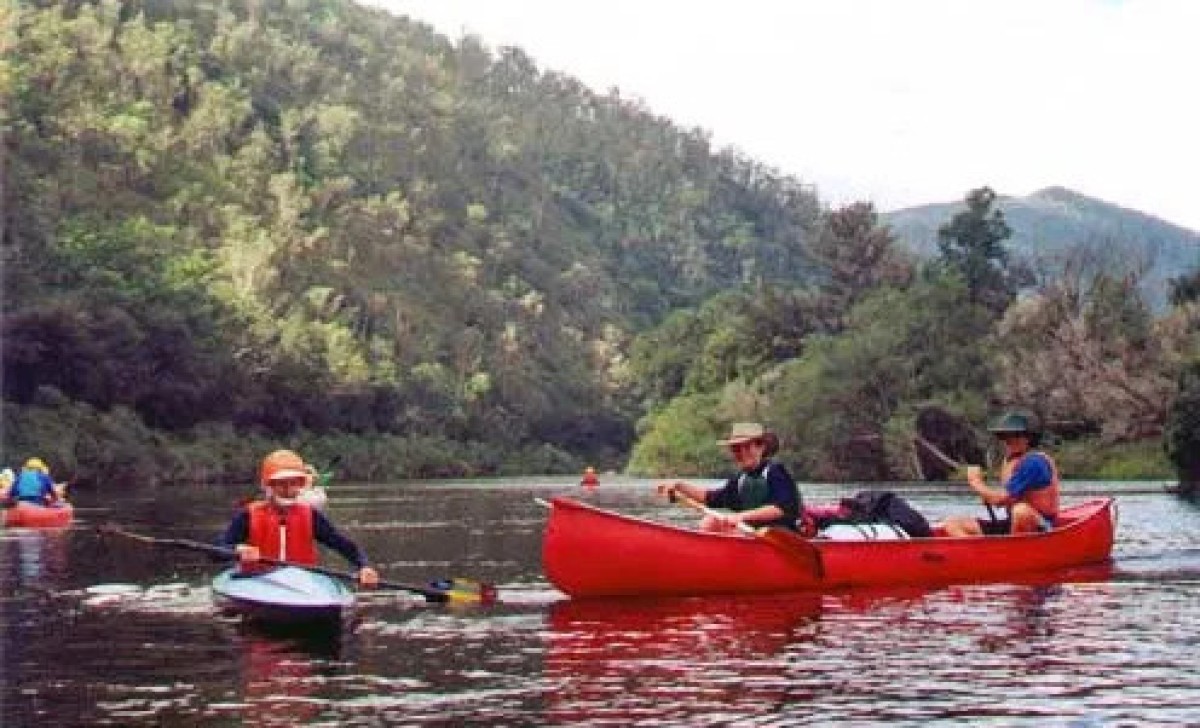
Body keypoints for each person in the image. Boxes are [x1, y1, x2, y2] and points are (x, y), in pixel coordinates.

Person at [219, 449, 379, 587]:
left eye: (294, 483)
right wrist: (237, 549)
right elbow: (219, 549)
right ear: (267, 485)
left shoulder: (311, 515)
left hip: (302, 582)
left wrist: (364, 567)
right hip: (257, 580)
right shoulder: (248, 515)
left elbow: (345, 546)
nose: (288, 490)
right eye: (281, 484)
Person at [657, 422, 802, 532]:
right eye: (736, 449)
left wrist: (742, 516)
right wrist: (679, 485)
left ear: (761, 447)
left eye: (747, 447)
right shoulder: (740, 479)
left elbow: (781, 509)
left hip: (783, 536)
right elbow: (710, 498)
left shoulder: (775, 471)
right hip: (753, 535)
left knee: (714, 523)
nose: (742, 453)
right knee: (710, 522)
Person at [943, 410, 1060, 537]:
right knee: (952, 524)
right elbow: (1005, 499)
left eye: (1017, 435)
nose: (1009, 440)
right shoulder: (1011, 460)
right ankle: (984, 554)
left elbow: (1000, 500)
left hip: (1041, 527)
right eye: (1004, 436)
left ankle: (1013, 552)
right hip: (1013, 524)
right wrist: (986, 494)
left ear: (1030, 437)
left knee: (1021, 511)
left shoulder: (1034, 462)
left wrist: (976, 482)